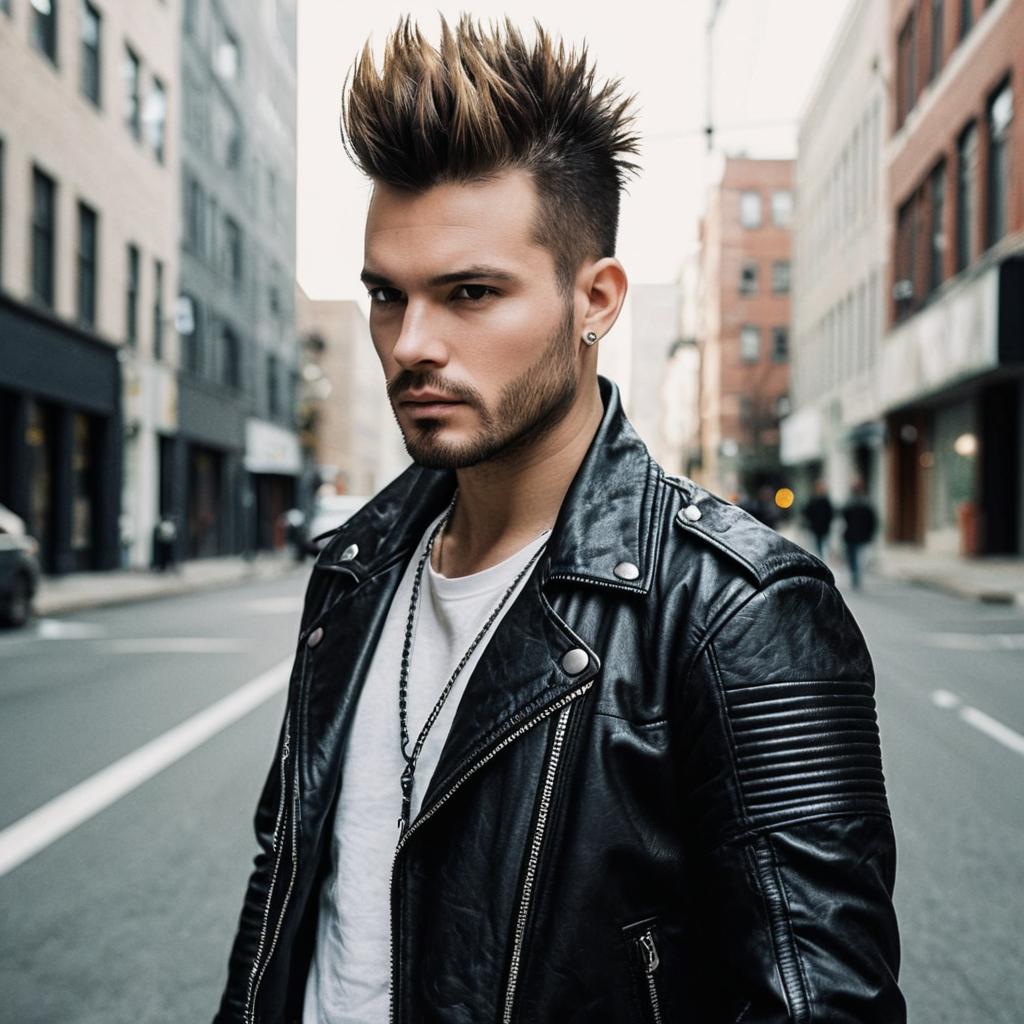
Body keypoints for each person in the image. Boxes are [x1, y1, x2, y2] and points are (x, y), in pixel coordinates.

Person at [215, 17, 904, 1023]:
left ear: (597, 299)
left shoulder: (736, 615)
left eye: (468, 294)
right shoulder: (353, 574)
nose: (410, 344)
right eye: (385, 296)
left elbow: (820, 1000)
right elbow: (282, 895)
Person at [842, 477, 879, 590]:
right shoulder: (852, 502)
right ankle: (856, 575)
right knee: (853, 557)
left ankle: (856, 576)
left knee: (857, 557)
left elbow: (872, 520)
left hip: (858, 535)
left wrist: (870, 533)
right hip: (853, 535)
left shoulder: (863, 503)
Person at [802, 479, 835, 559]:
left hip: (824, 527)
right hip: (815, 527)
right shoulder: (813, 500)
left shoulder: (826, 501)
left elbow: (830, 513)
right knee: (817, 545)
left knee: (824, 545)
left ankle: (823, 558)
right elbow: (807, 512)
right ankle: (820, 558)